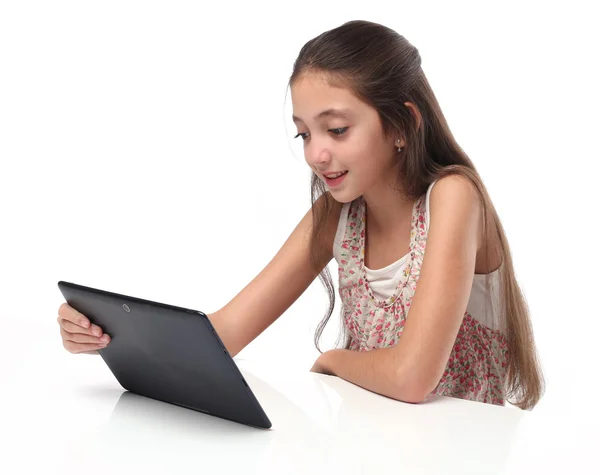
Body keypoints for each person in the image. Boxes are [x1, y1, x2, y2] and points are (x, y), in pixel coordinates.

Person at [57, 20, 545, 410]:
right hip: (378, 447)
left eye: (335, 129)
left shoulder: (453, 197)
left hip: (462, 454)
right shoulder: (337, 215)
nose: (316, 154)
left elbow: (413, 377)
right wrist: (106, 332)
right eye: (304, 134)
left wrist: (334, 360)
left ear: (403, 123)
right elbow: (222, 334)